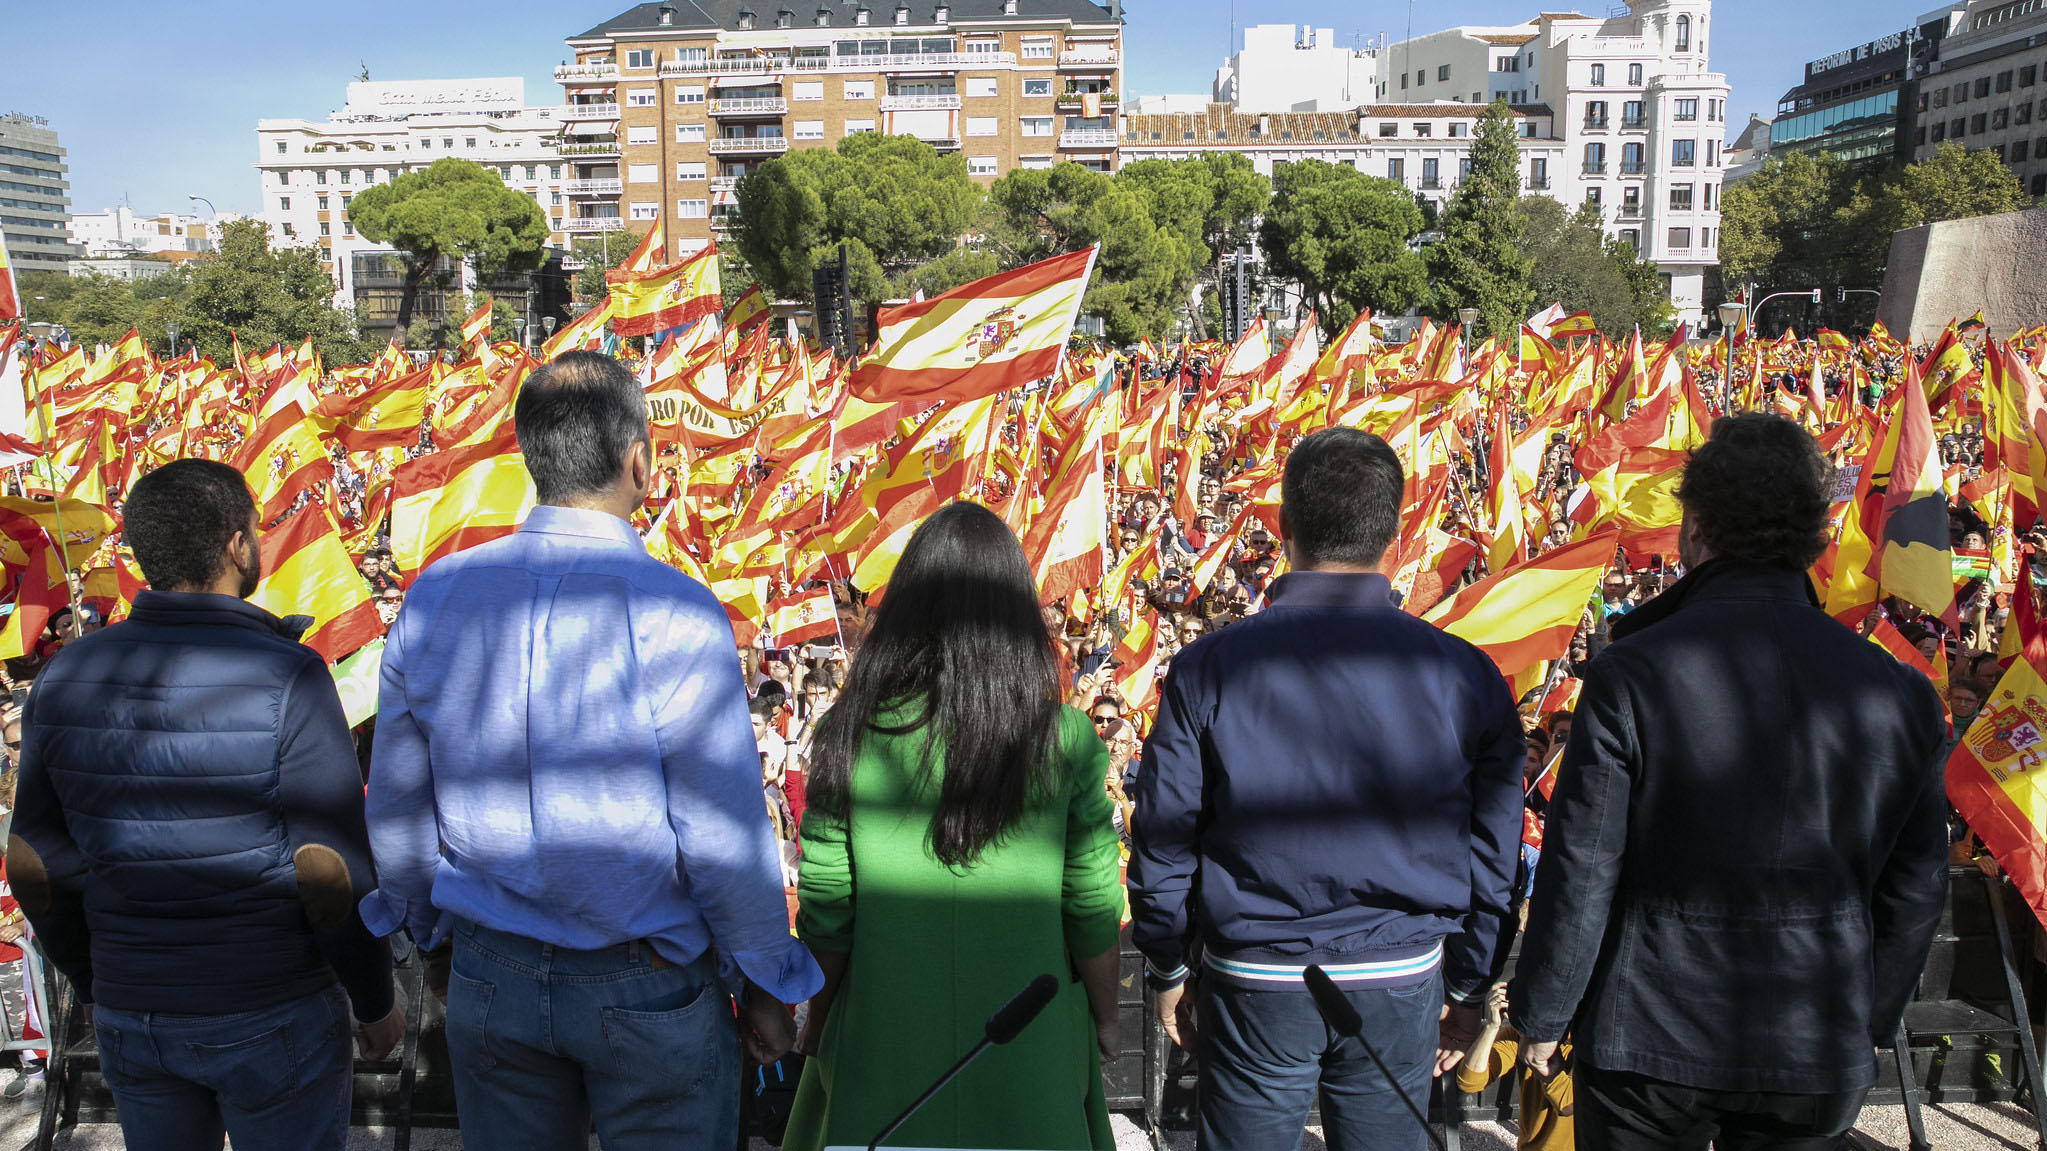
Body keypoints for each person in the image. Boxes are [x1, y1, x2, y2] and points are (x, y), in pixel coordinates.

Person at [360, 352, 820, 1150]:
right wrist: (767, 985)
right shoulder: (678, 612)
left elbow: (400, 811)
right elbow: (720, 835)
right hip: (647, 989)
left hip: (490, 973)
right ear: (638, 460)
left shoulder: (436, 596)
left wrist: (436, 942)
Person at [1511, 414, 1951, 1151]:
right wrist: (1864, 1017)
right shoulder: (1898, 690)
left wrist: (1543, 1013)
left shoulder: (1631, 674)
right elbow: (1914, 887)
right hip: (1813, 1027)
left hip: (1649, 1031)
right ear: (1815, 537)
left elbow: (1583, 867)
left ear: (1694, 528)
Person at [1128, 427, 1525, 1151]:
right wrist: (1468, 985)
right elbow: (1493, 853)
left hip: (1258, 974)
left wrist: (1166, 963)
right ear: (1394, 534)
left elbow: (1163, 838)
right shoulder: (1465, 673)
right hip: (1399, 976)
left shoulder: (1207, 666)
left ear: (1282, 529)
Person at [9, 458, 402, 1151]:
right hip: (270, 1008)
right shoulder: (288, 673)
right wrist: (374, 1000)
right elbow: (327, 870)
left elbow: (33, 861)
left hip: (136, 1010)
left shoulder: (65, 671)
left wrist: (101, 979)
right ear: (236, 544)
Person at [782, 502, 1124, 1151]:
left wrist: (814, 1023)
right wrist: (1107, 1020)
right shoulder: (1069, 739)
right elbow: (1091, 907)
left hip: (882, 1071)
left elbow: (829, 912)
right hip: (1030, 1071)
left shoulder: (848, 734)